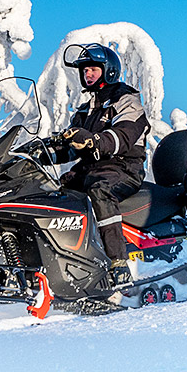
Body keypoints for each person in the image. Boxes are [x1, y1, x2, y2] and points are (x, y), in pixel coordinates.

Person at [55, 43, 149, 284]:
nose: (87, 74)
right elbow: (70, 145)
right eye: (85, 71)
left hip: (123, 169)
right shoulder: (86, 110)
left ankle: (117, 262)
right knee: (55, 193)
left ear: (108, 70)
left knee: (100, 189)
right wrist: (42, 151)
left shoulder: (126, 100)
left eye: (93, 70)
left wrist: (94, 141)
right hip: (92, 169)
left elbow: (124, 136)